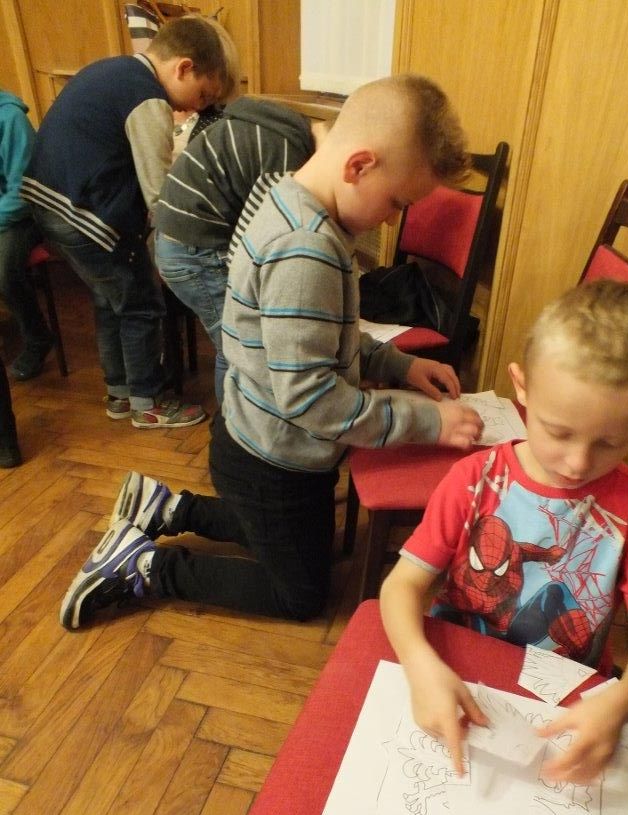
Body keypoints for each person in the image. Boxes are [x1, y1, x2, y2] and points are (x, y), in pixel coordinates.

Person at [59, 73, 484, 630]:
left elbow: (325, 335)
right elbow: (311, 398)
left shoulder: (289, 194)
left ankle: (168, 508)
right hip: (272, 459)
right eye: (395, 203)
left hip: (262, 441)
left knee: (287, 538)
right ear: (359, 166)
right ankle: (145, 566)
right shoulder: (306, 249)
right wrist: (428, 422)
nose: (389, 219)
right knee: (300, 593)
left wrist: (397, 363)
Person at [379, 279, 628, 783]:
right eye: (558, 432)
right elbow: (400, 587)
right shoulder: (473, 480)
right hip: (456, 669)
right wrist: (418, 662)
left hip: (562, 701)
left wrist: (621, 702)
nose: (578, 462)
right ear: (521, 386)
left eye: (612, 442)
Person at [19, 16, 237, 428]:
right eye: (201, 95)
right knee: (142, 305)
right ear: (184, 68)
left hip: (48, 207)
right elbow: (160, 194)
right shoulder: (147, 97)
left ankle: (120, 392)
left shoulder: (113, 68)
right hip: (87, 215)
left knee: (111, 300)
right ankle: (148, 403)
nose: (194, 108)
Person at [155, 97, 328, 403]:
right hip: (193, 250)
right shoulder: (288, 158)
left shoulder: (281, 127)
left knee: (239, 343)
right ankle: (230, 425)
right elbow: (256, 243)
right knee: (238, 350)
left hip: (176, 238)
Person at [0, 90, 56, 384]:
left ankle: (37, 338)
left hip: (20, 215)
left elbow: (22, 193)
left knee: (4, 272)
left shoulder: (10, 118)